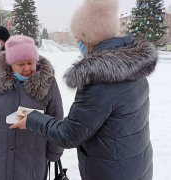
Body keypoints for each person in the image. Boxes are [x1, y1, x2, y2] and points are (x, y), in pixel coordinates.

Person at [11, 0, 158, 179]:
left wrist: (31, 118)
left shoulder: (99, 81)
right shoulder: (133, 67)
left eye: (78, 39)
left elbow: (69, 134)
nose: (77, 43)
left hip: (111, 172)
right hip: (135, 166)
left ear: (88, 39)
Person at [0, 35, 63, 180]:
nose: (27, 68)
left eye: (31, 62)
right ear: (10, 64)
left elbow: (57, 119)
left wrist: (54, 152)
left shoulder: (48, 84)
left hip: (32, 161)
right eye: (20, 64)